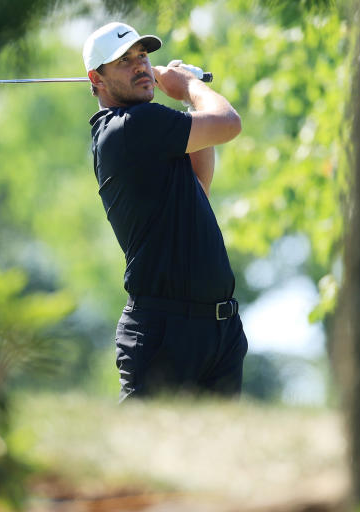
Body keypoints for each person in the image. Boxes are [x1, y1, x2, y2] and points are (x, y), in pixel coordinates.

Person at [83, 21, 249, 401]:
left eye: (142, 55)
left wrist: (189, 102)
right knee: (142, 458)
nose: (140, 65)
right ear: (98, 78)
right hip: (164, 331)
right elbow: (228, 123)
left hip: (216, 331)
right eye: (123, 61)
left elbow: (200, 186)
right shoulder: (131, 126)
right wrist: (191, 86)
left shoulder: (148, 129)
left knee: (221, 458)